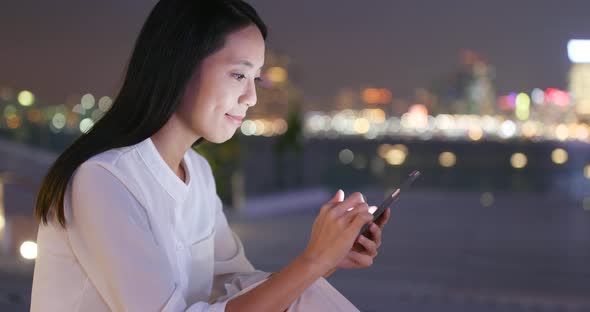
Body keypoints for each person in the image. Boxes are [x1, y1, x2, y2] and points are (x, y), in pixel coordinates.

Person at [30, 0, 390, 311]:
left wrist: (328, 258)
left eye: (256, 79)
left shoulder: (197, 172)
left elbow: (240, 287)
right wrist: (313, 260)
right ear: (180, 66)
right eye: (238, 75)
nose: (251, 97)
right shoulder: (105, 180)